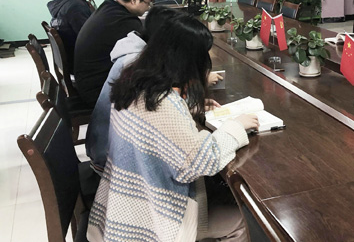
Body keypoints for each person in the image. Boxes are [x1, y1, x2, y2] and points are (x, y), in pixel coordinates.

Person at [87, 14, 258, 242]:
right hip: (151, 221)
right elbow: (199, 162)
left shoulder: (134, 80)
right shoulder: (162, 101)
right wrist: (236, 127)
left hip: (125, 204)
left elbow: (156, 127)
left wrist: (186, 109)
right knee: (243, 219)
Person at [85, 6, 184, 174]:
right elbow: (157, 111)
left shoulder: (134, 51)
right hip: (112, 161)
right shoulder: (136, 64)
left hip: (104, 146)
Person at [74, 0, 157, 109]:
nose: (148, 8)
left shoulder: (108, 8)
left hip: (86, 83)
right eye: (148, 2)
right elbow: (147, 56)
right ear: (135, 0)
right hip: (97, 92)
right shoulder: (125, 22)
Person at [47, 0, 97, 73]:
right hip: (81, 65)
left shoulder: (62, 2)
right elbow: (91, 39)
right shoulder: (77, 7)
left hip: (70, 61)